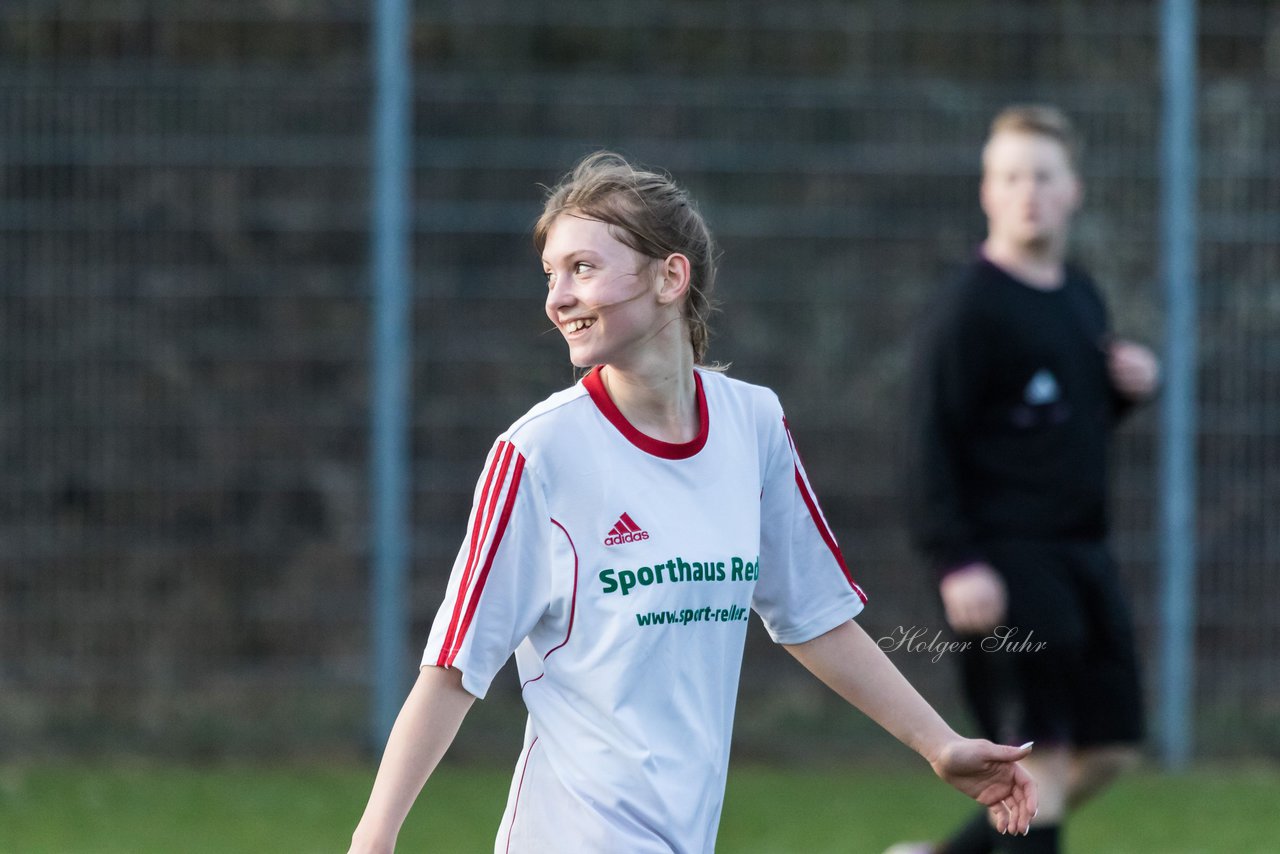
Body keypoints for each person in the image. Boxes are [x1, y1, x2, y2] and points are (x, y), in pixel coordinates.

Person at [349, 151, 1037, 854]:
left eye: (582, 268)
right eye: (550, 274)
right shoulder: (538, 453)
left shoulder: (754, 425)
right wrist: (374, 840)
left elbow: (814, 615)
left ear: (670, 277)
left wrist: (939, 745)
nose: (557, 296)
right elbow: (454, 668)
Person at [897, 106, 1160, 854]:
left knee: (1109, 747)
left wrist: (1127, 388)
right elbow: (926, 448)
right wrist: (956, 560)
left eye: (1043, 175)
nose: (1028, 192)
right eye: (1010, 176)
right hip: (1004, 562)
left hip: (1084, 556)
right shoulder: (967, 308)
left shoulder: (1080, 294)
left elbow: (1059, 423)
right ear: (987, 190)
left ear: (1073, 189)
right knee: (1033, 759)